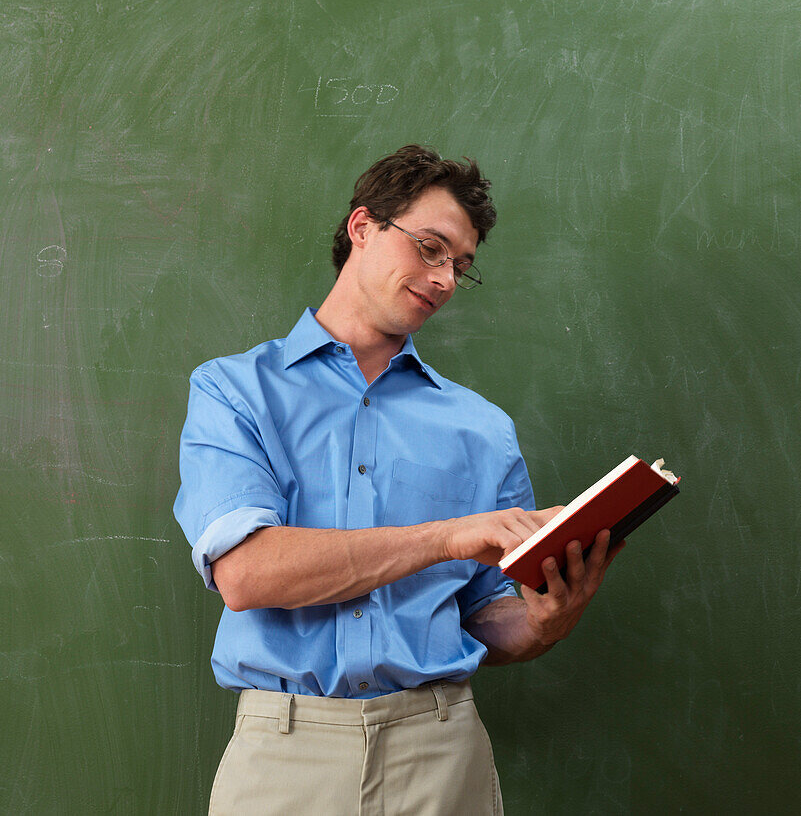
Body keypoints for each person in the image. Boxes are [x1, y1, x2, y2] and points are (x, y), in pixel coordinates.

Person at [174, 144, 620, 815]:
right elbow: (247, 575)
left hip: (440, 750)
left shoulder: (481, 428)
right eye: (428, 248)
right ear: (362, 228)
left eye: (460, 267)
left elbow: (484, 615)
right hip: (285, 751)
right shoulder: (234, 391)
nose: (443, 278)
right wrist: (448, 536)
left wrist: (545, 622)